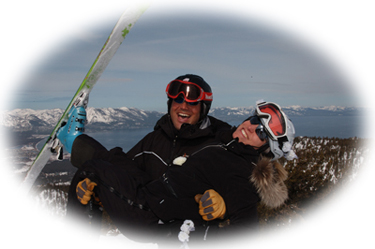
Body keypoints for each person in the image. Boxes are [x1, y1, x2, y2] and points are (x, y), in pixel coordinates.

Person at [59, 100, 297, 244]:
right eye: (255, 119)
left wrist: (219, 216)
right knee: (117, 159)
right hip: (157, 189)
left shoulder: (244, 173)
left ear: (267, 149)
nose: (251, 128)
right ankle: (72, 141)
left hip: (151, 212)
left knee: (93, 170)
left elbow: (245, 232)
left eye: (262, 133)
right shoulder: (228, 141)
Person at [56, 74, 232, 234]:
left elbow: (248, 183)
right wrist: (103, 192)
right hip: (150, 209)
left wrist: (226, 205)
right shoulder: (156, 139)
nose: (183, 105)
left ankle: (74, 141)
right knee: (102, 170)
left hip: (186, 228)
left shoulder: (218, 144)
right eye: (176, 99)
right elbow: (126, 170)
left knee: (93, 170)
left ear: (203, 107)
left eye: (192, 101)